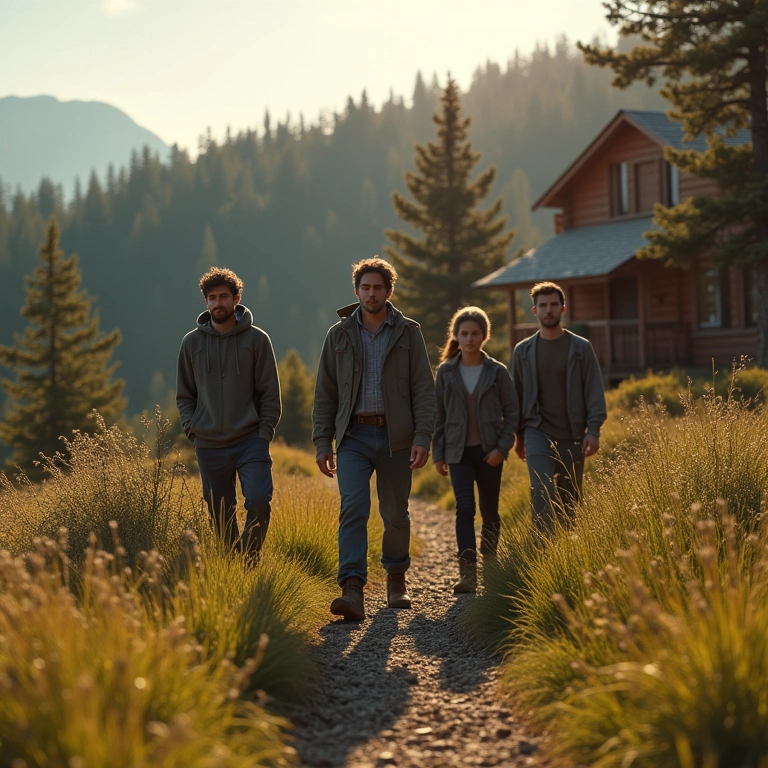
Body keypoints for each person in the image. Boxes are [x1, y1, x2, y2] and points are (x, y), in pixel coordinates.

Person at [312, 257, 435, 621]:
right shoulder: (338, 335)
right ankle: (352, 588)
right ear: (356, 291)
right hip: (353, 436)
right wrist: (323, 442)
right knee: (353, 508)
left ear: (389, 291)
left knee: (395, 513)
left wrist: (423, 437)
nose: (371, 293)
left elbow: (423, 391)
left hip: (398, 437)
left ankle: (396, 577)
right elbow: (325, 395)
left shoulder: (409, 332)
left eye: (378, 287)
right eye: (365, 287)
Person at [176, 267, 281, 560]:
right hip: (209, 443)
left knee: (259, 501)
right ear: (205, 302)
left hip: (251, 440)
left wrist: (263, 434)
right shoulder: (191, 343)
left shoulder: (257, 340)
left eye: (224, 296)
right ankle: (235, 564)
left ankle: (249, 556)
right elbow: (185, 395)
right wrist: (193, 429)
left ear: (236, 299)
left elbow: (270, 394)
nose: (217, 303)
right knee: (220, 515)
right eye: (212, 298)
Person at [433, 307, 518, 594]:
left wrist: (502, 448)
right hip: (458, 454)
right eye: (464, 333)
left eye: (475, 333)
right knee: (465, 508)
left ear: (484, 336)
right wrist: (439, 453)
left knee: (490, 510)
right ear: (455, 336)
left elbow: (512, 414)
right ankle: (467, 574)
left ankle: (490, 566)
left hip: (489, 453)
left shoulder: (497, 372)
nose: (469, 339)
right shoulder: (446, 372)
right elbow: (438, 416)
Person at [511, 281, 606, 533]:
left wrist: (593, 430)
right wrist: (519, 436)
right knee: (542, 489)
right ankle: (542, 547)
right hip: (536, 430)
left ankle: (568, 549)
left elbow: (594, 390)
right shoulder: (523, 351)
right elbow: (516, 396)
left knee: (570, 499)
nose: (548, 310)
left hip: (573, 433)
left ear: (563, 308)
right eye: (543, 305)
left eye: (554, 304)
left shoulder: (581, 348)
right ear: (535, 311)